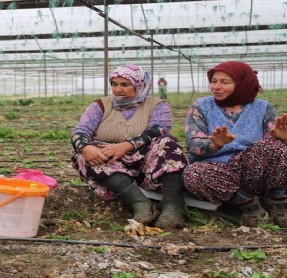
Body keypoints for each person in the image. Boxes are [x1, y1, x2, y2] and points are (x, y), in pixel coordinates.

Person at [71, 64, 188, 229]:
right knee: (86, 153)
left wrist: (127, 145)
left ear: (139, 85)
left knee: (167, 143)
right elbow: (80, 131)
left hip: (146, 164)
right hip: (112, 164)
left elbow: (159, 129)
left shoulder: (158, 105)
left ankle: (173, 207)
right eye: (114, 84)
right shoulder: (100, 105)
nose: (118, 89)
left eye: (125, 84)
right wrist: (84, 148)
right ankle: (140, 203)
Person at [183, 61, 287, 227]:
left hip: (253, 169)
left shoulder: (262, 108)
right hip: (218, 171)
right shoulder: (201, 106)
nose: (216, 87)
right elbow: (191, 142)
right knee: (193, 173)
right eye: (214, 81)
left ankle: (277, 201)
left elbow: (276, 153)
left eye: (225, 82)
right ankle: (246, 203)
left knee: (274, 146)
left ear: (242, 84)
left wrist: (283, 140)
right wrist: (213, 145)